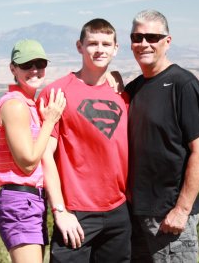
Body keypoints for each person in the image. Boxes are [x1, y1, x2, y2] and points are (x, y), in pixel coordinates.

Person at [38, 18, 131, 263]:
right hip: (76, 214)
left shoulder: (123, 94)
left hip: (119, 212)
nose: (99, 49)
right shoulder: (57, 93)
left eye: (106, 44)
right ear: (79, 46)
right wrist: (60, 211)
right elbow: (45, 155)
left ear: (115, 48)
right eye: (92, 43)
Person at [125, 9, 199, 262]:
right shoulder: (135, 88)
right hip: (135, 215)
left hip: (169, 218)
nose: (144, 44)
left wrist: (182, 210)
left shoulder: (182, 84)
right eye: (137, 37)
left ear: (167, 41)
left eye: (152, 37)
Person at [0, 39, 66, 263]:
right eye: (26, 65)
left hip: (31, 201)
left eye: (40, 63)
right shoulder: (14, 105)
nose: (34, 70)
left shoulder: (30, 105)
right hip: (20, 201)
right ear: (13, 68)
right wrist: (50, 121)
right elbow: (28, 162)